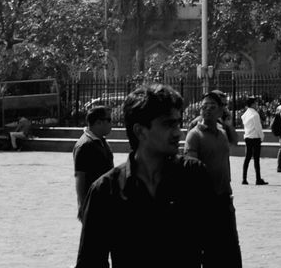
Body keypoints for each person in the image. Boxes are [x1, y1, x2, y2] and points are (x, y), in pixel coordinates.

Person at [74, 83, 216, 268]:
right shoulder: (106, 191)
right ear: (140, 131)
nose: (177, 132)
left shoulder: (194, 178)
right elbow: (91, 261)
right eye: (168, 124)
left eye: (178, 123)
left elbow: (219, 250)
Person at [185, 90, 242, 267]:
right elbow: (191, 167)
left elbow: (236, 141)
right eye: (204, 106)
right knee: (208, 249)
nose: (207, 110)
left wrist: (228, 123)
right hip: (205, 200)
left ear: (221, 110)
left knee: (230, 246)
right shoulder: (195, 133)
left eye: (213, 106)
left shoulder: (222, 130)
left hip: (224, 196)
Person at [73, 105, 115, 218]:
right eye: (109, 120)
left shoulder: (101, 140)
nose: (112, 124)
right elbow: (80, 176)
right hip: (94, 202)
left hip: (105, 199)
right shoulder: (85, 145)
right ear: (98, 122)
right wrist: (82, 205)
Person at [240, 96, 267, 185]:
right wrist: (262, 137)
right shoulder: (255, 114)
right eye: (256, 103)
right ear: (252, 104)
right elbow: (258, 128)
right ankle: (258, 179)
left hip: (247, 137)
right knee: (256, 159)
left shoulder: (245, 114)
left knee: (247, 158)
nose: (257, 104)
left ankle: (244, 178)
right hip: (255, 138)